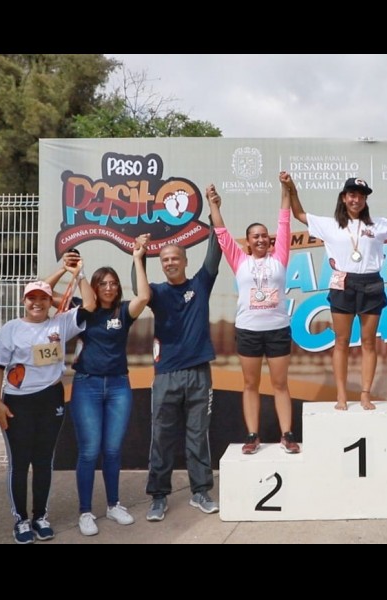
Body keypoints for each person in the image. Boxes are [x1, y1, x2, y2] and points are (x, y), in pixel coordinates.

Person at [289, 175, 387, 410]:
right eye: (352, 195)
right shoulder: (330, 224)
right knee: (341, 341)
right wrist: (291, 189)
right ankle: (341, 395)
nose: (356, 200)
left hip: (371, 283)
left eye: (361, 196)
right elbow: (299, 214)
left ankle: (365, 394)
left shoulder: (377, 224)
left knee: (368, 342)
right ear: (343, 197)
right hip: (343, 283)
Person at [46, 236, 151, 536]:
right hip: (87, 385)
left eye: (113, 283)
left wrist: (137, 258)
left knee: (113, 450)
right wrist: (66, 270)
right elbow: (44, 293)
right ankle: (85, 512)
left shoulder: (124, 312)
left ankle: (114, 504)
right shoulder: (81, 308)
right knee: (90, 451)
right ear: (94, 286)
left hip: (118, 386)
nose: (108, 287)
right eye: (103, 283)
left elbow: (144, 296)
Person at [0, 265, 95, 544]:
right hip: (17, 403)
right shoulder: (11, 329)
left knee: (44, 461)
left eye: (43, 298)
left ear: (51, 302)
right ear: (23, 301)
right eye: (32, 298)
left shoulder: (60, 323)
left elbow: (90, 305)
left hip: (50, 399)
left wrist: (78, 274)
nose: (37, 303)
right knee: (20, 462)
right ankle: (21, 520)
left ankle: (40, 517)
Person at [140, 184, 223, 522]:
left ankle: (200, 492)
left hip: (199, 372)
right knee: (161, 437)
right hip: (166, 375)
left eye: (175, 258)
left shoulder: (200, 284)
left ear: (185, 261)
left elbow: (217, 248)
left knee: (197, 436)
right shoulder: (156, 292)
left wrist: (215, 209)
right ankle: (158, 497)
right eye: (165, 260)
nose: (170, 262)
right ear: (160, 265)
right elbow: (139, 292)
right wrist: (138, 256)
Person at [209, 172, 300, 455]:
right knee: (250, 384)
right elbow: (221, 233)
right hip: (248, 330)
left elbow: (284, 221)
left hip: (277, 329)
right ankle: (252, 435)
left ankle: (287, 434)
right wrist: (213, 205)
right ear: (248, 242)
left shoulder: (279, 258)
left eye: (264, 236)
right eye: (255, 236)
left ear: (270, 241)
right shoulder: (240, 260)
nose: (261, 239)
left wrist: (285, 189)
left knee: (280, 384)